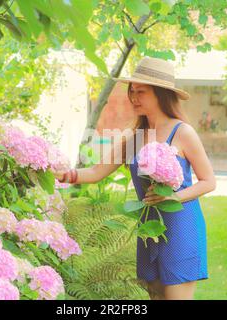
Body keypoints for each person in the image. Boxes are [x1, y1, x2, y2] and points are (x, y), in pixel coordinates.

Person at [54, 57, 216, 300]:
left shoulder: (182, 132)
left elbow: (209, 181)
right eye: (132, 91)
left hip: (182, 227)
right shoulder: (134, 137)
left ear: (161, 94)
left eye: (141, 92)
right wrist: (62, 174)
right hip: (149, 228)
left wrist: (172, 196)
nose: (133, 97)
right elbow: (97, 171)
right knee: (155, 296)